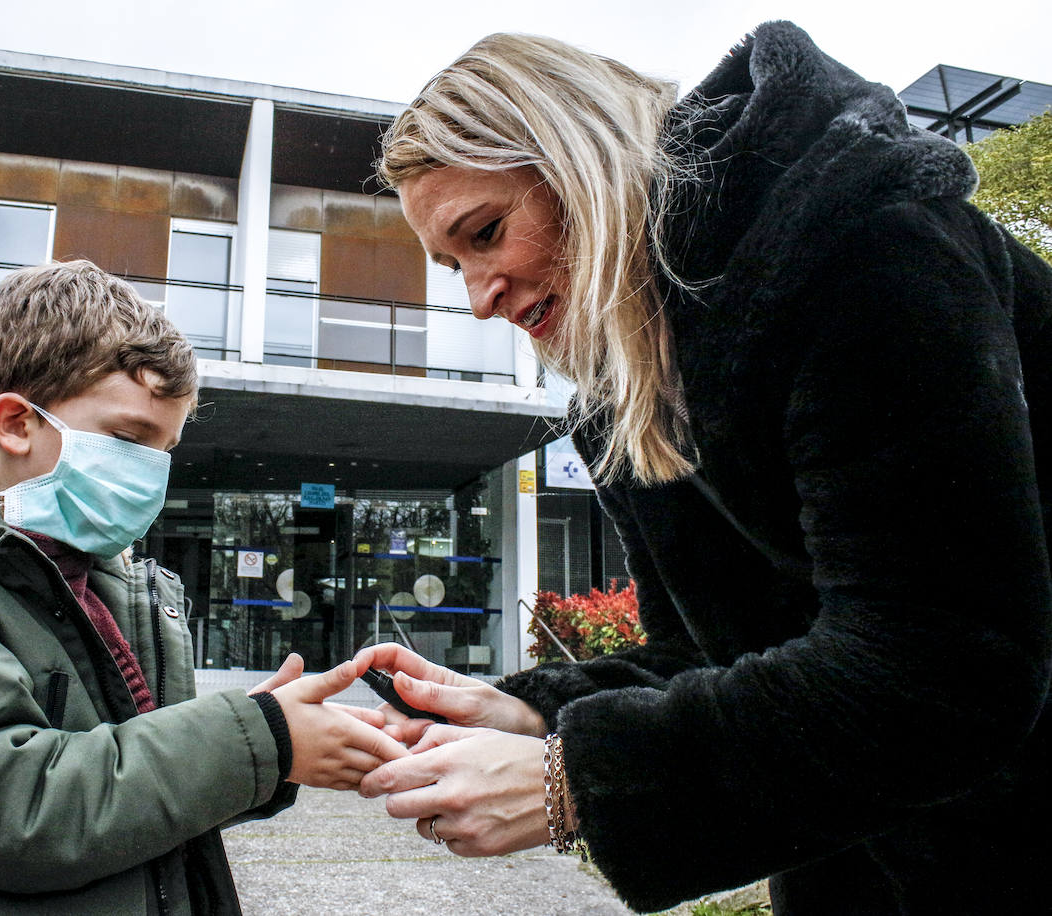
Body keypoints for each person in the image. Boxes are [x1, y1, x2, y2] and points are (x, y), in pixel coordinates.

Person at [354, 21, 1052, 915]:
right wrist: (531, 713)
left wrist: (578, 780)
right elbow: (719, 654)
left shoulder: (865, 247)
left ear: (583, 161)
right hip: (877, 859)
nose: (478, 298)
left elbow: (946, 664)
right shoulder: (625, 388)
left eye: (486, 232)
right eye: (453, 266)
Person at [0, 260, 405, 914]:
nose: (151, 472)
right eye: (130, 437)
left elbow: (133, 802)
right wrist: (258, 738)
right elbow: (6, 810)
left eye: (166, 448)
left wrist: (268, 750)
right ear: (14, 423)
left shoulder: (118, 592)